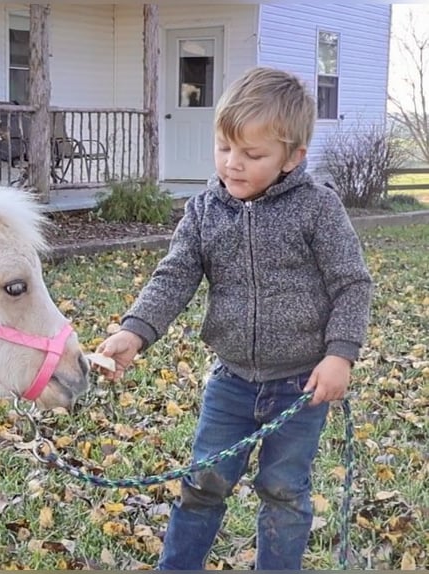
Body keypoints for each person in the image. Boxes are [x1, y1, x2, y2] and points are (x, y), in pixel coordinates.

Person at [96, 66, 373, 570]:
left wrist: (340, 355)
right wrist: (134, 331)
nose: (233, 164)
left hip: (300, 385)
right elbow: (175, 275)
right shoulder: (205, 210)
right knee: (203, 484)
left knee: (284, 491)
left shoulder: (318, 209)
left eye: (253, 154)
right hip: (231, 385)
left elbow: (352, 284)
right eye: (225, 148)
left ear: (292, 158)